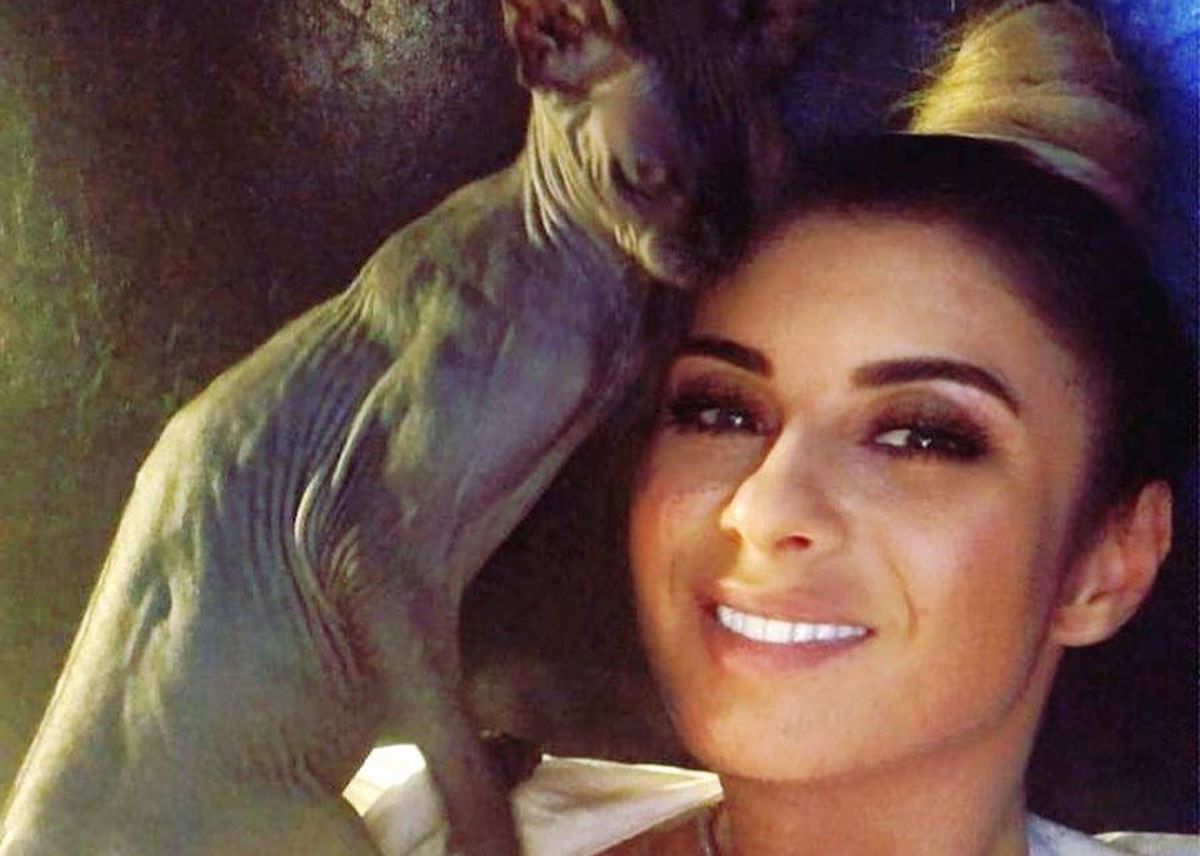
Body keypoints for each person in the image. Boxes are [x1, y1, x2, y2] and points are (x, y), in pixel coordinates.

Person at [349, 2, 1197, 853]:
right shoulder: (383, 820)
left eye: (922, 436)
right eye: (719, 412)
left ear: (1107, 565)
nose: (761, 508)